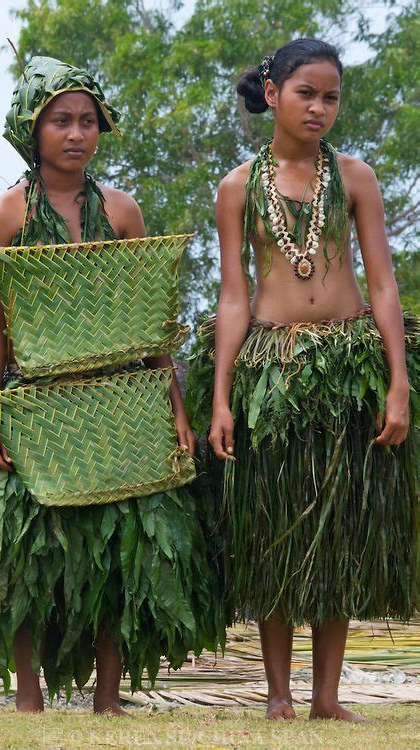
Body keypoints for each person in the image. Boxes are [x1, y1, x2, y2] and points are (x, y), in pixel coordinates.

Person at [0, 56, 223, 714]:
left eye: (89, 122)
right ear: (32, 129)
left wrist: (174, 410)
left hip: (118, 399)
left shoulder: (121, 211)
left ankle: (108, 696)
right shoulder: (4, 217)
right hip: (32, 399)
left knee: (118, 559)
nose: (77, 134)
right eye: (61, 121)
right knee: (22, 555)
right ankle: (29, 696)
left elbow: (151, 326)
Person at [186, 38, 417, 722]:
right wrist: (222, 396)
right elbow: (233, 295)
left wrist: (396, 381)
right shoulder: (236, 186)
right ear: (270, 94)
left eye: (331, 97)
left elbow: (381, 281)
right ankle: (279, 696)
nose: (319, 108)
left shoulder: (354, 177)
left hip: (349, 364)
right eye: (305, 93)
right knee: (274, 526)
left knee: (341, 523)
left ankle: (325, 698)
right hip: (271, 369)